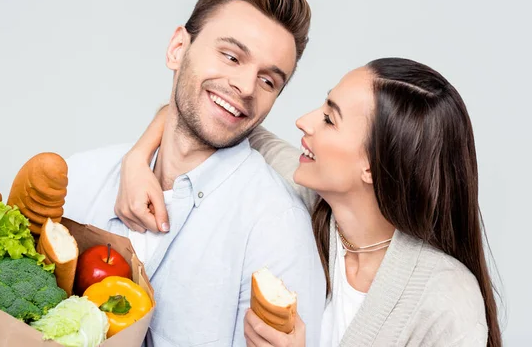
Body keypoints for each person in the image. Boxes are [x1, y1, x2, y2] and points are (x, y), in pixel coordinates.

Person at [115, 58, 502, 346]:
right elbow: (203, 118)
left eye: (330, 120)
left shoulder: (447, 299)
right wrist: (137, 158)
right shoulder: (299, 195)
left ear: (373, 165)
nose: (304, 120)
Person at [63, 0, 325, 346]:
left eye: (268, 81)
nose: (246, 87)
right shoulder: (81, 177)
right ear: (177, 49)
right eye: (231, 56)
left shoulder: (277, 230)